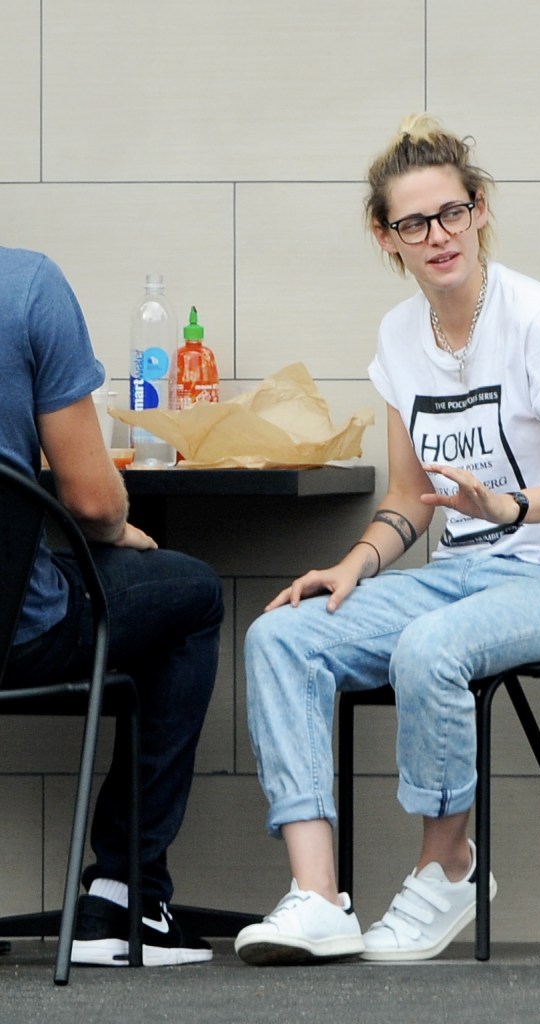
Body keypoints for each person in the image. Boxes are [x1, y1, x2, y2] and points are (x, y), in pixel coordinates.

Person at [234, 114, 540, 966]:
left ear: (479, 209)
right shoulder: (398, 337)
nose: (437, 236)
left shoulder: (539, 319)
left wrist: (508, 507)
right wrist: (351, 565)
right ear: (387, 238)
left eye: (451, 213)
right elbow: (409, 499)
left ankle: (447, 867)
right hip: (460, 578)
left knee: (429, 647)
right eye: (413, 224)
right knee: (282, 636)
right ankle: (317, 898)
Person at [0, 245, 223, 967]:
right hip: (17, 634)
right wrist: (116, 528)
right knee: (188, 596)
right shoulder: (26, 286)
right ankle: (125, 895)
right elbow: (93, 502)